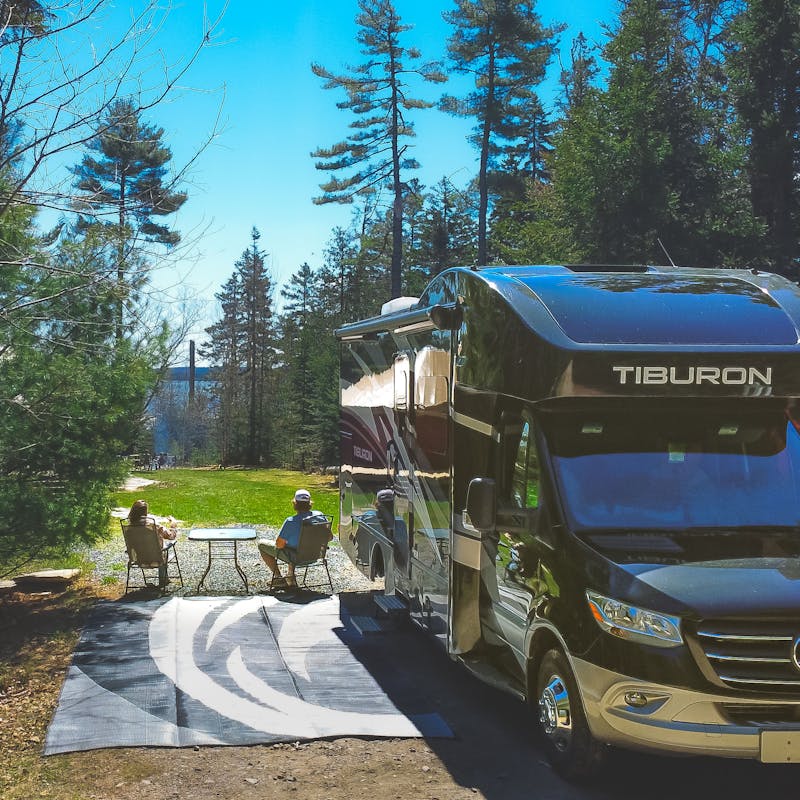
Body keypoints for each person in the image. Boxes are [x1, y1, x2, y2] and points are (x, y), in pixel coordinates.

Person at [258, 489, 326, 589]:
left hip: (297, 558)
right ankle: (290, 577)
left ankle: (278, 577)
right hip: (315, 555)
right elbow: (330, 537)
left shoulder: (291, 522)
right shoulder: (320, 516)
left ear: (295, 503)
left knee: (262, 544)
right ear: (310, 503)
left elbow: (279, 545)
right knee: (294, 546)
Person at [126, 499, 178, 586]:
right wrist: (173, 525)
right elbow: (171, 536)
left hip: (139, 559)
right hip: (157, 559)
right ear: (145, 512)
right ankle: (163, 580)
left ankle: (163, 580)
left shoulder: (129, 527)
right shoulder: (153, 525)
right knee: (164, 551)